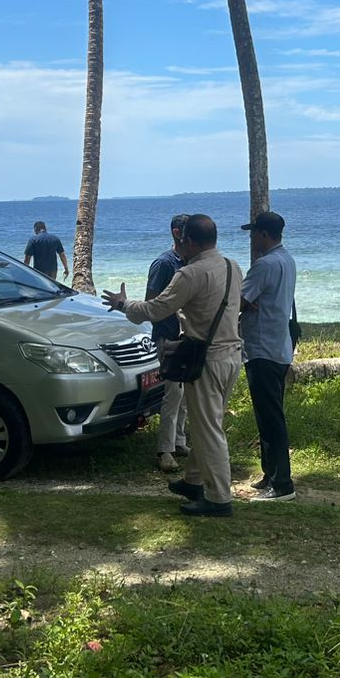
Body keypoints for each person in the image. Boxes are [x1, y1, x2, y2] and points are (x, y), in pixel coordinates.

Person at [103, 215, 242, 517]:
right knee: (207, 422)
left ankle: (219, 498)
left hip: (207, 360)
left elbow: (156, 309)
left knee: (208, 429)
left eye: (183, 242)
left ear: (188, 241)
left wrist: (124, 304)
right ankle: (194, 481)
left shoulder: (190, 274)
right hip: (232, 355)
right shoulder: (232, 266)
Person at [239, 211, 298, 501]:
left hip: (262, 349)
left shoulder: (263, 265)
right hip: (279, 347)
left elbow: (238, 300)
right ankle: (270, 473)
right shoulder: (287, 260)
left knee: (271, 419)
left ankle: (282, 484)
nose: (252, 238)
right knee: (268, 415)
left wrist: (243, 303)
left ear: (264, 234)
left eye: (254, 233)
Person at [148, 214, 192, 471]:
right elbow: (151, 302)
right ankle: (164, 450)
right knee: (173, 394)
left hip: (188, 336)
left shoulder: (190, 262)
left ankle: (179, 440)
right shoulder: (164, 264)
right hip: (168, 336)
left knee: (185, 394)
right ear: (177, 233)